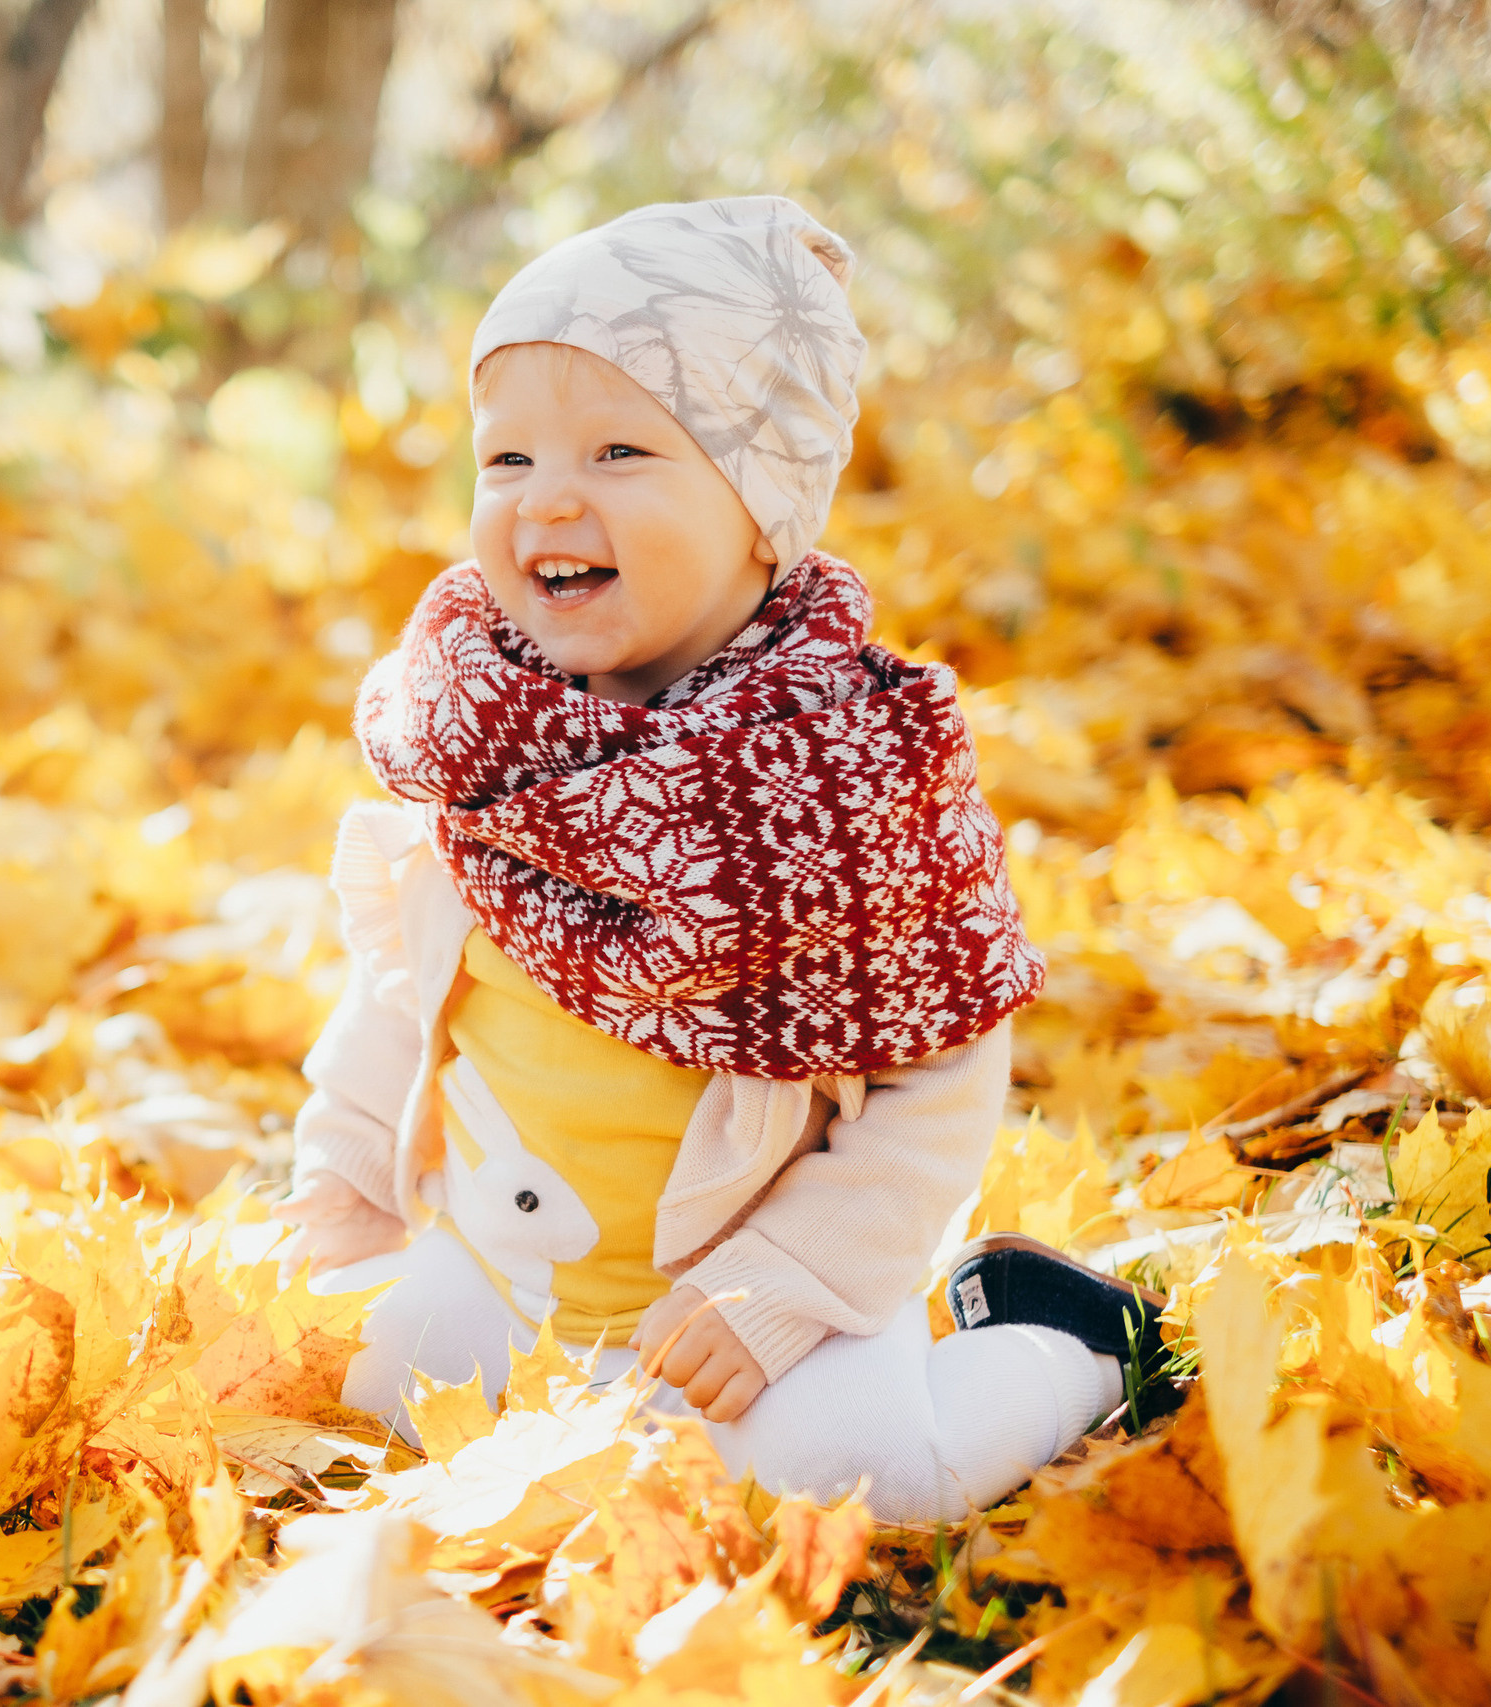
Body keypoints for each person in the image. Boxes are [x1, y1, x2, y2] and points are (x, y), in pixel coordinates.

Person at [269, 197, 1169, 1526]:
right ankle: (528, 1401)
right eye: (507, 457)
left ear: (762, 505)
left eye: (620, 450)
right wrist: (347, 1176)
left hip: (751, 1298)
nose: (547, 497)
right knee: (321, 1365)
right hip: (502, 1267)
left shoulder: (853, 782)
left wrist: (786, 1285)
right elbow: (406, 992)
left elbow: (938, 1083)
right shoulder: (481, 740)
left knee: (865, 1483)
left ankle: (1067, 1344)